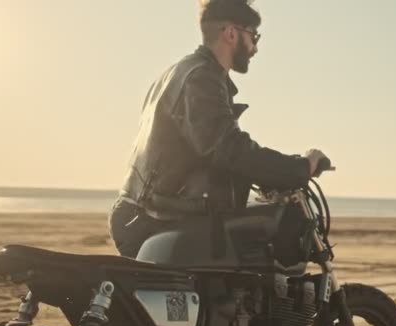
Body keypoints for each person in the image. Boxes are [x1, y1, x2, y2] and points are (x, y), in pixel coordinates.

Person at [108, 0, 328, 258]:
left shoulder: (181, 72)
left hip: (149, 212)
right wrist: (300, 167)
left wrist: (268, 177)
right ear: (231, 33)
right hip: (153, 220)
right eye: (253, 36)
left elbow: (205, 151)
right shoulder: (202, 78)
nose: (256, 47)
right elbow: (229, 148)